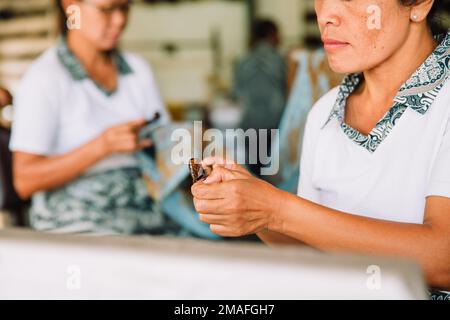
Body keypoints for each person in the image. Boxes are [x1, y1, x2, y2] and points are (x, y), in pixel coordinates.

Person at [191, 0, 450, 292]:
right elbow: (314, 251)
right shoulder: (325, 114)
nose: (326, 14)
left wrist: (276, 209)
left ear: (420, 4)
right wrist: (256, 209)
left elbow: (444, 260)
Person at [9, 0, 180, 235]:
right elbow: (25, 180)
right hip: (82, 222)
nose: (119, 19)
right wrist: (102, 146)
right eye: (107, 9)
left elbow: (167, 144)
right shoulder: (44, 79)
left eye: (125, 7)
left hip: (146, 214)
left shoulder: (138, 70)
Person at [233, 19, 287, 176]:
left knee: (255, 176)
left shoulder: (242, 61)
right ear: (272, 34)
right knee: (275, 176)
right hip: (276, 124)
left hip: (250, 125)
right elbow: (291, 92)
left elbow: (236, 93)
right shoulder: (281, 60)